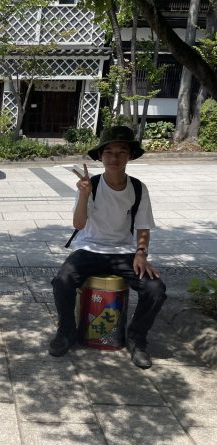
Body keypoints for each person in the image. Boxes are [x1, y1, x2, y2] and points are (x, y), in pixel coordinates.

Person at [48, 126, 166, 369]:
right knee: (62, 281)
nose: (114, 157)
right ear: (100, 156)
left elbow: (143, 227)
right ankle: (66, 332)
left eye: (121, 152)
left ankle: (136, 338)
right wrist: (84, 195)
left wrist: (141, 253)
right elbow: (78, 224)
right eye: (109, 152)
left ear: (129, 156)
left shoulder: (138, 188)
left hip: (123, 252)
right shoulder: (90, 184)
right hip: (89, 249)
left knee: (155, 289)